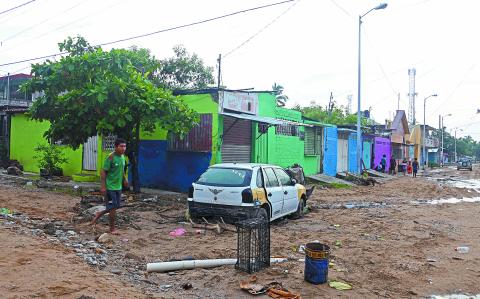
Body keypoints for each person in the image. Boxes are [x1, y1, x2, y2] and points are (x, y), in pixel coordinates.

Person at [91, 138, 128, 234]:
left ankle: (99, 214)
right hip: (110, 187)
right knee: (113, 207)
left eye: (124, 146)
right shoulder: (110, 157)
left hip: (118, 187)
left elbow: (122, 169)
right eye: (121, 146)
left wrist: (125, 179)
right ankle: (112, 229)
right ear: (116, 147)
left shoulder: (122, 157)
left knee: (115, 206)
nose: (123, 148)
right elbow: (103, 171)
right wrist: (103, 187)